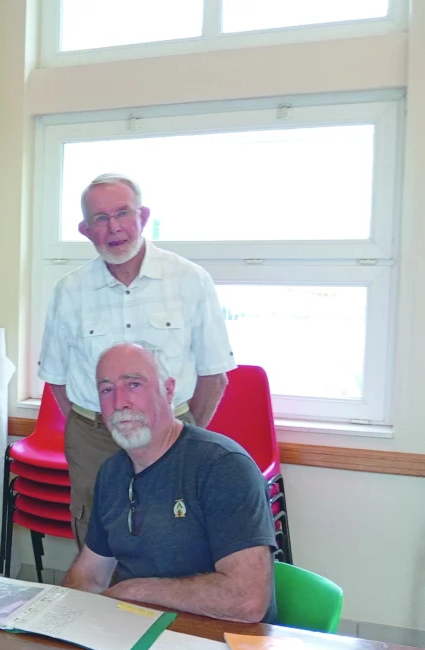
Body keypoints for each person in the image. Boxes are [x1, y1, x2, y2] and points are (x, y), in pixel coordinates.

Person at [38, 173, 236, 546]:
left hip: (171, 434)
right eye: (100, 218)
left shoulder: (190, 280)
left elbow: (215, 375)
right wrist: (103, 423)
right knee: (98, 543)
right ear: (85, 229)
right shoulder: (69, 291)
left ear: (143, 216)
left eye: (123, 213)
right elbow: (58, 378)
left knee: (174, 540)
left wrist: (179, 429)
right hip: (94, 438)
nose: (114, 228)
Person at [61, 342, 276, 623]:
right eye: (106, 390)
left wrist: (133, 590)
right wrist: (58, 620)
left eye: (134, 385)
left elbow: (247, 601)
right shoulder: (112, 471)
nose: (120, 402)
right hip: (137, 635)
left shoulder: (223, 466)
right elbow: (89, 576)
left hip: (220, 647)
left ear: (169, 390)